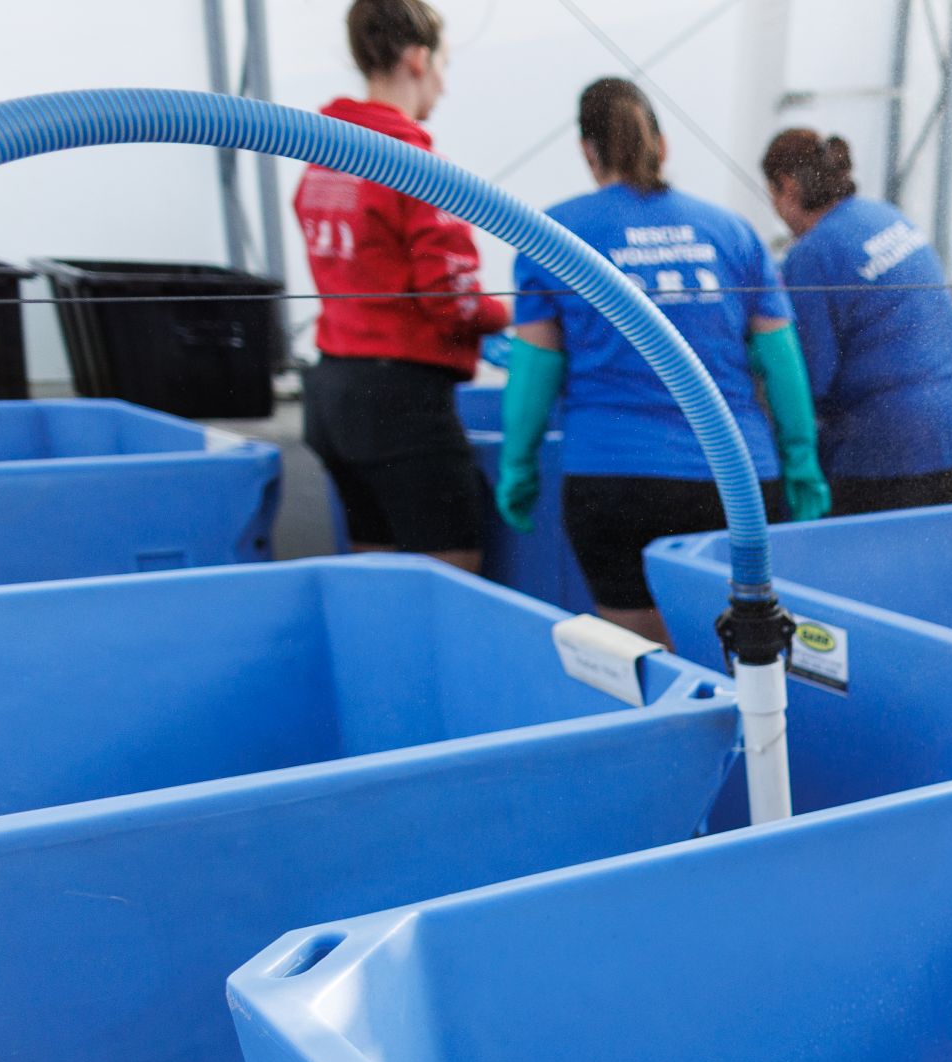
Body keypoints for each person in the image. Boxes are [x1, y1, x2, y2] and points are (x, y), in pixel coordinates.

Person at [498, 79, 828, 645]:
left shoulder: (552, 235)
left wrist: (518, 466)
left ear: (587, 151)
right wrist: (800, 460)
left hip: (613, 481)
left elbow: (534, 370)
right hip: (733, 482)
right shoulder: (731, 231)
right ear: (664, 144)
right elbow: (781, 359)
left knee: (647, 664)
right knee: (738, 657)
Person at [295, 0, 509, 572]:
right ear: (418, 59)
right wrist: (508, 320)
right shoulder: (409, 162)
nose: (442, 81)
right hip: (400, 401)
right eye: (443, 64)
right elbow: (452, 297)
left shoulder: (320, 154)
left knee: (377, 571)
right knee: (452, 573)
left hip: (333, 393)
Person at [760, 128, 952, 514]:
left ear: (786, 187)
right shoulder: (883, 215)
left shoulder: (812, 255)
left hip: (903, 448)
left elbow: (809, 380)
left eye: (771, 194)